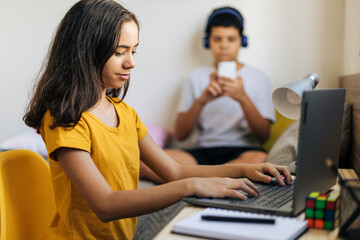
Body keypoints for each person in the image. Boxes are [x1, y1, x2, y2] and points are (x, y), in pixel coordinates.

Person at [23, 1, 290, 239]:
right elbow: (105, 204)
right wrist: (192, 186)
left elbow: (174, 171)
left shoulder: (125, 113)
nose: (131, 63)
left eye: (133, 52)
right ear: (85, 51)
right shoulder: (64, 118)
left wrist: (241, 170)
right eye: (119, 52)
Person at [140, 7, 276, 182]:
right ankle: (221, 177)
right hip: (202, 154)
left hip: (243, 151)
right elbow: (181, 134)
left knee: (258, 159)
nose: (224, 45)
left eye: (231, 39)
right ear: (208, 42)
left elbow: (263, 136)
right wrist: (201, 101)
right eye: (217, 39)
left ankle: (203, 179)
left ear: (241, 41)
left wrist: (242, 98)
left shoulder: (258, 78)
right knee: (146, 162)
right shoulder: (196, 77)